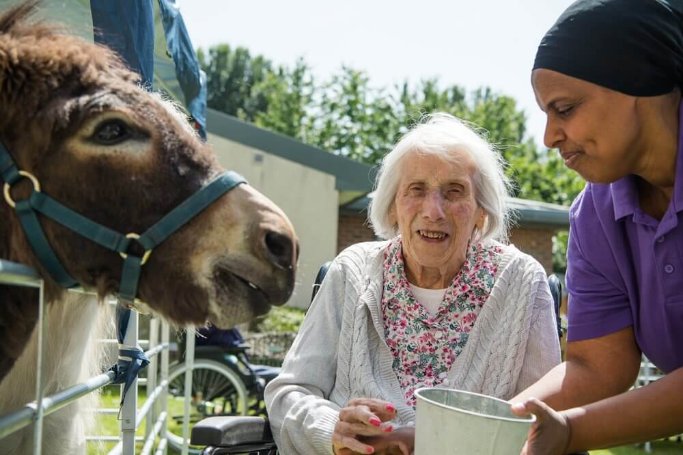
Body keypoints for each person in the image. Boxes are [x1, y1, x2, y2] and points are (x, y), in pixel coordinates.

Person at [265, 113, 561, 455]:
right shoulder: (352, 272)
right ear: (393, 207)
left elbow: (541, 422)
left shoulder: (521, 283)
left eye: (454, 192)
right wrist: (333, 430)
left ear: (481, 211)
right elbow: (289, 393)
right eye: (416, 190)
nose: (433, 210)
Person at [510, 0, 683, 453]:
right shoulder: (595, 216)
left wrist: (571, 431)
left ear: (637, 83)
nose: (549, 137)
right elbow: (596, 367)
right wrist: (482, 425)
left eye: (564, 109)